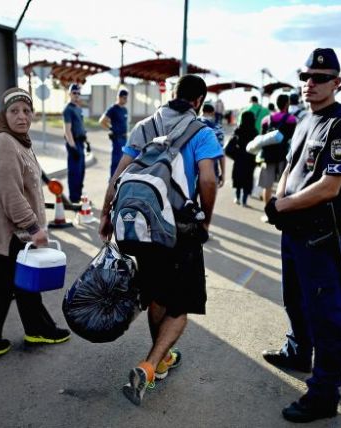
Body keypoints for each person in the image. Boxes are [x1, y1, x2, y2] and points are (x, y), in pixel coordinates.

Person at [98, 75, 222, 406]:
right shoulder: (202, 132)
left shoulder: (144, 126)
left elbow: (119, 174)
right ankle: (150, 365)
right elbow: (208, 180)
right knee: (181, 304)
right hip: (178, 229)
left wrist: (106, 216)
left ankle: (162, 358)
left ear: (171, 94)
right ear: (198, 101)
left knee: (156, 296)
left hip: (138, 227)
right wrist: (206, 220)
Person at [262, 48, 341, 423]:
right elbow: (290, 165)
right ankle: (299, 352)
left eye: (320, 78)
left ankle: (324, 394)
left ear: (337, 82)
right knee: (294, 300)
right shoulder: (306, 118)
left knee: (327, 316)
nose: (310, 84)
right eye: (305, 77)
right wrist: (278, 197)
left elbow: (330, 186)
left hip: (319, 235)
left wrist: (283, 207)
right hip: (293, 231)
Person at [0, 88, 70, 362]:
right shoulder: (3, 143)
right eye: (14, 111)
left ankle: (38, 330)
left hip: (12, 234)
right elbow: (10, 194)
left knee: (23, 285)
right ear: (4, 115)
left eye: (26, 110)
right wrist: (34, 228)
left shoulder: (18, 141)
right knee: (3, 289)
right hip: (6, 234)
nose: (22, 116)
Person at [258, 94, 297, 214]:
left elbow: (262, 136)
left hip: (268, 155)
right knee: (283, 185)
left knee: (267, 185)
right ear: (287, 104)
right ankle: (280, 211)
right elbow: (294, 138)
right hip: (283, 155)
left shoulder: (266, 119)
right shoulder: (292, 119)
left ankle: (268, 212)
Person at [63, 83, 87, 202]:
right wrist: (73, 147)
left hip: (81, 143)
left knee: (81, 171)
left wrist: (87, 142)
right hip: (74, 143)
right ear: (70, 94)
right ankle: (73, 199)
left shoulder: (78, 108)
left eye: (78, 93)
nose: (76, 95)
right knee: (74, 172)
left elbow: (81, 126)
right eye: (74, 93)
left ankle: (78, 196)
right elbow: (67, 130)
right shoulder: (68, 109)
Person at [229, 111, 258, 205]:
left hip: (239, 157)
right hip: (250, 158)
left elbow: (232, 142)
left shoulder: (238, 129)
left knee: (238, 177)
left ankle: (237, 197)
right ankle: (244, 200)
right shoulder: (255, 131)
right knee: (247, 179)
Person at [99, 88, 129, 177]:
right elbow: (102, 121)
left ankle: (119, 181)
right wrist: (111, 129)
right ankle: (112, 181)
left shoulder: (124, 110)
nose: (125, 100)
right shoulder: (113, 108)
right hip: (117, 139)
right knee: (116, 162)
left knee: (124, 162)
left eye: (126, 98)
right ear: (118, 97)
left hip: (124, 139)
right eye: (124, 98)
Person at [198, 103, 226, 188]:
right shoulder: (217, 127)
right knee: (208, 200)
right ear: (213, 113)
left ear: (201, 111)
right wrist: (223, 174)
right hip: (211, 170)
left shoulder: (191, 123)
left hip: (191, 169)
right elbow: (221, 152)